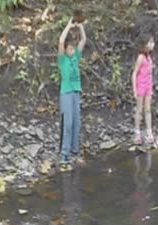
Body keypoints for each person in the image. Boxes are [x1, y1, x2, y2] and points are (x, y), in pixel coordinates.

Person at [58, 17, 87, 164]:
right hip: (66, 93)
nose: (72, 50)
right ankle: (64, 152)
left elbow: (83, 40)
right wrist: (69, 25)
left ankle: (74, 149)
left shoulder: (76, 57)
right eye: (70, 48)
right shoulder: (63, 60)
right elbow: (61, 41)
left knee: (77, 122)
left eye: (73, 49)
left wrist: (80, 25)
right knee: (68, 123)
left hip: (76, 92)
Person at [132, 34, 156, 145]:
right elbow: (134, 73)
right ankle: (137, 133)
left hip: (148, 86)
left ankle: (149, 132)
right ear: (145, 44)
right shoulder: (141, 57)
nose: (152, 44)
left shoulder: (149, 57)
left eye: (152, 42)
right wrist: (134, 90)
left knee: (147, 109)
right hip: (141, 86)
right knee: (139, 109)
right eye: (150, 42)